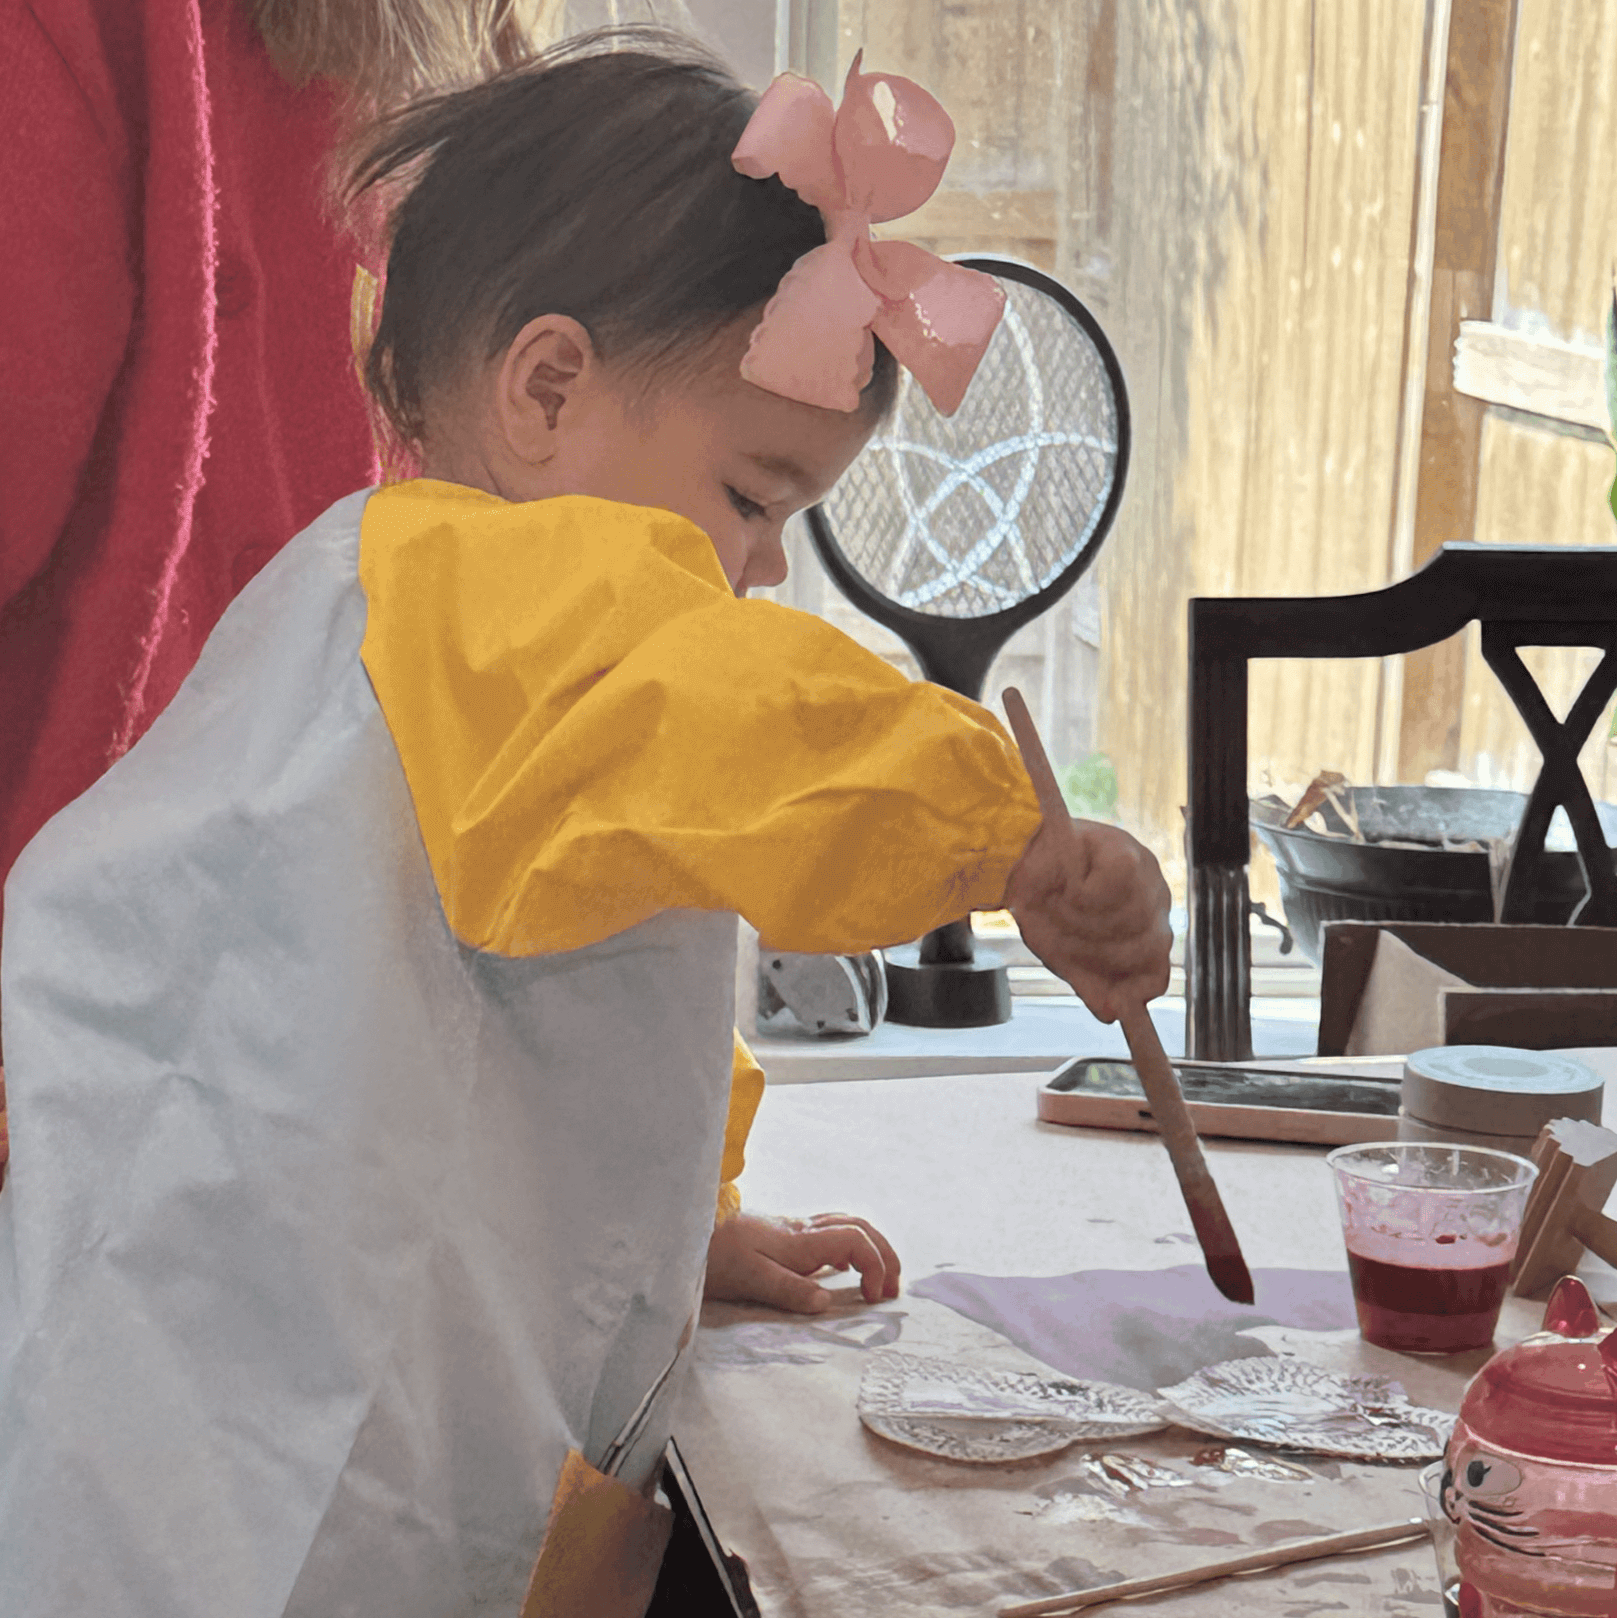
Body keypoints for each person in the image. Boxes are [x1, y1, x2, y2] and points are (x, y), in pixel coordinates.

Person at [0, 29, 1171, 1616]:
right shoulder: (481, 596)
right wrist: (1002, 827)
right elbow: (740, 718)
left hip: (294, 1393)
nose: (760, 570)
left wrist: (688, 1223)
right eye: (753, 498)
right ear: (548, 388)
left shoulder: (496, 660)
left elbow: (612, 974)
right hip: (245, 1457)